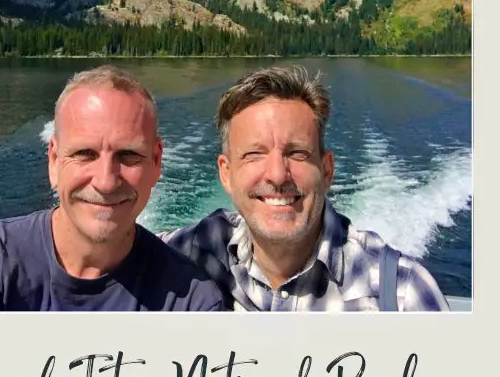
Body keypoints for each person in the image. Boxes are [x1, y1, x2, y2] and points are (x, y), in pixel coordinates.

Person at [0, 66, 223, 311]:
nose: (105, 182)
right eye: (84, 154)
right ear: (54, 161)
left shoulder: (192, 301)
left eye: (128, 156)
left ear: (156, 162)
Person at [161, 65, 450, 311]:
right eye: (254, 154)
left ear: (327, 170)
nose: (277, 174)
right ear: (226, 173)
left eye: (297, 153)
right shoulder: (188, 252)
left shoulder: (401, 297)